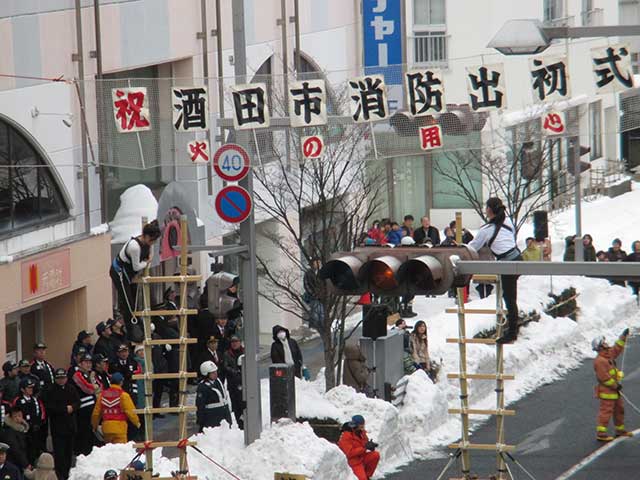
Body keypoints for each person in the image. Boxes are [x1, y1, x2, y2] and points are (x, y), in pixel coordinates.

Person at [469, 198, 522, 344]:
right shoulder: (508, 221)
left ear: (490, 210)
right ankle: (512, 331)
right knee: (511, 297)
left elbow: (472, 247)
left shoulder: (486, 230)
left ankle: (512, 333)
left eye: (486, 208)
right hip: (518, 257)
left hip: (507, 262)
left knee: (509, 298)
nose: (485, 210)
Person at [109, 220, 161, 341]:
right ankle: (132, 332)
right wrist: (147, 261)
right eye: (152, 240)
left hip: (130, 273)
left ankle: (137, 326)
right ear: (147, 236)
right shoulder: (134, 246)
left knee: (134, 299)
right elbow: (136, 266)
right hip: (120, 272)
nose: (153, 243)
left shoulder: (146, 243)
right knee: (128, 303)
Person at [592, 329, 632, 441]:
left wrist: (623, 337)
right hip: (607, 392)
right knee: (606, 412)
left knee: (619, 410)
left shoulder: (607, 356)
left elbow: (617, 349)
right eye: (604, 343)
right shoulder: (600, 361)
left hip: (615, 391)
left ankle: (620, 430)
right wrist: (615, 385)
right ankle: (601, 433)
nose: (606, 344)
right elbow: (604, 378)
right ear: (600, 346)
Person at [43, 369, 79, 480]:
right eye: (59, 378)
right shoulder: (51, 391)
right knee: (59, 454)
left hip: (70, 426)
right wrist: (64, 409)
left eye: (63, 378)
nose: (61, 380)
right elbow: (49, 407)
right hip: (58, 427)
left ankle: (68, 473)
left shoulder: (71, 389)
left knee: (69, 453)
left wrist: (72, 407)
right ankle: (60, 475)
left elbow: (78, 402)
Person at [91, 372, 140, 444]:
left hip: (106, 428)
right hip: (120, 428)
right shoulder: (123, 395)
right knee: (120, 451)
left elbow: (96, 413)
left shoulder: (102, 395)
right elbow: (131, 412)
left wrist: (94, 426)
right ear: (121, 382)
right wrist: (137, 422)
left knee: (110, 451)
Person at [71, 354, 100, 456]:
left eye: (90, 362)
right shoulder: (77, 374)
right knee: (84, 433)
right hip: (83, 409)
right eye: (86, 362)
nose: (88, 365)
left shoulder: (90, 375)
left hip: (92, 407)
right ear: (80, 363)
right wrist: (94, 386)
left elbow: (99, 387)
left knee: (91, 433)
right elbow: (87, 388)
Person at [14, 377, 45, 466]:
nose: (31, 390)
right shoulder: (18, 400)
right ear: (22, 389)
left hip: (34, 432)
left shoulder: (35, 400)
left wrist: (38, 424)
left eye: (32, 388)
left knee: (33, 452)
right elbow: (15, 416)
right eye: (28, 388)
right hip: (23, 432)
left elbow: (40, 413)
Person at [337, 415, 379, 480]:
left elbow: (365, 442)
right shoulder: (346, 436)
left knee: (375, 455)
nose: (363, 427)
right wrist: (364, 448)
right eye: (361, 426)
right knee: (362, 479)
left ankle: (367, 476)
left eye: (363, 425)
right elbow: (349, 453)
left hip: (361, 457)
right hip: (353, 461)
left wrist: (370, 445)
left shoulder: (361, 432)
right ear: (355, 425)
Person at [196, 361, 231, 432]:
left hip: (223, 416)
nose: (215, 374)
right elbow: (200, 405)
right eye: (212, 373)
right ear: (206, 374)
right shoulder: (203, 386)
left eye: (216, 371)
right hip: (212, 419)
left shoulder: (218, 381)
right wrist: (201, 420)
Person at [223, 337, 245, 429]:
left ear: (240, 342)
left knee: (244, 403)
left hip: (244, 383)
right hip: (233, 383)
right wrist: (235, 372)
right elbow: (225, 366)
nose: (234, 344)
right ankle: (240, 424)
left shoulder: (245, 352)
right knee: (236, 405)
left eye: (236, 341)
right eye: (232, 342)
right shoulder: (227, 354)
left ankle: (245, 421)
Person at [0, 407, 30, 471]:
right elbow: (15, 449)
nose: (18, 418)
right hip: (13, 464)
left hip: (21, 462)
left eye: (19, 416)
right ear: (10, 418)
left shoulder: (22, 428)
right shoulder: (8, 431)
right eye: (15, 416)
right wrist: (25, 464)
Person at [303, 258, 325, 332]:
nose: (319, 264)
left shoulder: (322, 272)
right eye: (317, 262)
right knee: (315, 312)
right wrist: (313, 294)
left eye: (319, 262)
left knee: (321, 313)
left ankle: (321, 327)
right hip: (312, 296)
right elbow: (306, 285)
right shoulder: (308, 273)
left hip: (321, 296)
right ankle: (315, 327)